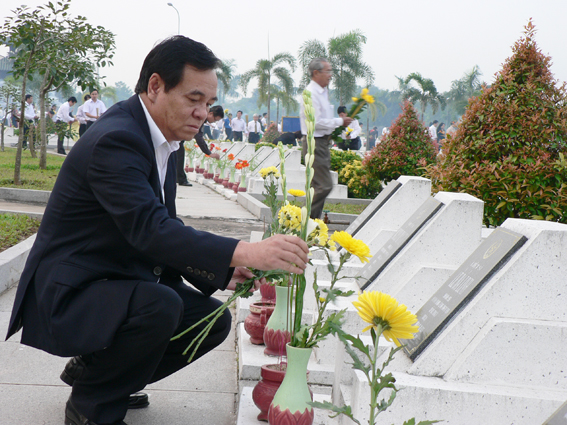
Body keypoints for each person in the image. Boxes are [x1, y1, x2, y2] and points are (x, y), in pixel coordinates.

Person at [5, 35, 309, 425]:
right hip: (69, 293)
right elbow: (150, 230)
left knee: (209, 321)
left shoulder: (162, 140)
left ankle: (97, 372)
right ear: (155, 86)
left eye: (208, 103)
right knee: (160, 306)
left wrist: (222, 269)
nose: (202, 112)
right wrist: (246, 251)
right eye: (193, 99)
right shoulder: (117, 139)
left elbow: (160, 225)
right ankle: (92, 407)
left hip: (110, 280)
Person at [300, 57, 353, 219]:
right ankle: (303, 221)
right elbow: (314, 122)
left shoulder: (322, 92)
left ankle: (310, 225)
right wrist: (339, 121)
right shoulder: (311, 93)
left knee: (317, 187)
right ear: (316, 73)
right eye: (327, 71)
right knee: (324, 186)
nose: (330, 75)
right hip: (314, 142)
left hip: (322, 142)